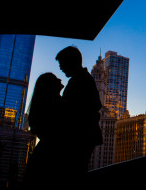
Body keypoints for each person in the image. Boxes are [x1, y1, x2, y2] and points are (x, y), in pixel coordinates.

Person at [55, 46, 103, 187]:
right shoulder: (81, 79)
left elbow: (92, 106)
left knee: (73, 174)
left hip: (79, 137)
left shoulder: (81, 80)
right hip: (82, 136)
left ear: (71, 62)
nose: (61, 68)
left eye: (62, 64)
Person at [24, 72, 65, 189]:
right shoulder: (56, 104)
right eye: (56, 79)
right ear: (50, 86)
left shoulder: (55, 103)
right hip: (50, 158)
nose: (60, 80)